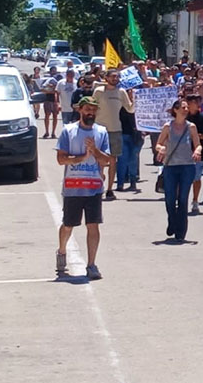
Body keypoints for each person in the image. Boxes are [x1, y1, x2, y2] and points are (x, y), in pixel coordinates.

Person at [54, 96, 113, 280]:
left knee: (93, 225)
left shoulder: (102, 132)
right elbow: (61, 159)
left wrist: (94, 150)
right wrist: (80, 157)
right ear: (80, 110)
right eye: (88, 109)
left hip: (94, 187)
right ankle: (62, 250)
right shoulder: (68, 131)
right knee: (69, 225)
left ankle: (91, 264)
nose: (91, 113)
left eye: (94, 110)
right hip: (73, 187)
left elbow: (107, 161)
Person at [155, 99, 202, 243]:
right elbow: (158, 144)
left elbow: (198, 145)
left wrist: (198, 152)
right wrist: (161, 148)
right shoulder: (168, 127)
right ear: (175, 110)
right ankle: (172, 221)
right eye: (183, 107)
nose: (186, 109)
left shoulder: (191, 127)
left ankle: (181, 231)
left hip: (187, 166)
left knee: (183, 198)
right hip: (170, 166)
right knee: (170, 198)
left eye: (187, 107)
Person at [92, 70, 134, 200]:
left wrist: (135, 99)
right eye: (113, 76)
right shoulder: (99, 91)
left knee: (112, 160)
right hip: (99, 130)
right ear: (107, 78)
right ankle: (99, 185)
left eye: (117, 76)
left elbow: (130, 109)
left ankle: (110, 189)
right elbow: (91, 107)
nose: (115, 78)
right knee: (99, 160)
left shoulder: (121, 92)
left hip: (115, 130)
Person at [186, 94, 203, 212]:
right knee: (182, 178)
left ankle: (195, 200)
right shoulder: (182, 117)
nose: (196, 105)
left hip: (198, 152)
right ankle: (180, 200)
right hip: (182, 152)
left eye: (197, 102)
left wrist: (196, 135)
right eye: (192, 102)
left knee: (196, 178)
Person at [115, 103, 143, 193]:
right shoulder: (119, 106)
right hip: (122, 134)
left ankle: (132, 182)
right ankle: (120, 183)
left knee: (132, 160)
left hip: (135, 136)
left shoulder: (139, 105)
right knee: (122, 160)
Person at [40, 66, 61, 139]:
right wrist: (50, 91)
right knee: (47, 116)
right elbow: (42, 89)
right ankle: (46, 132)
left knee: (55, 116)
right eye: (52, 71)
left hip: (55, 100)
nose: (54, 72)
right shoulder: (46, 80)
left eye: (55, 71)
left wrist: (58, 102)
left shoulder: (59, 79)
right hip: (47, 100)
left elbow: (59, 91)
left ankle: (53, 133)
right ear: (50, 72)